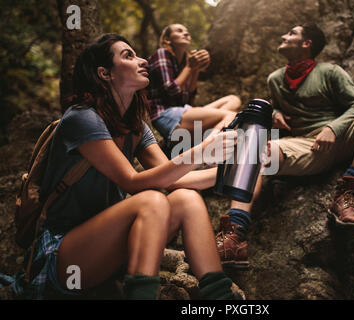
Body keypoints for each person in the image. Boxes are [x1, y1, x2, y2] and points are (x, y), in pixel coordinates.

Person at [10, 33, 241, 300]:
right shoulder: (82, 118)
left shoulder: (137, 126)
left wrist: (229, 173)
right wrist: (202, 150)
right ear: (104, 73)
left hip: (109, 249)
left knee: (187, 199)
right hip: (64, 255)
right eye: (128, 56)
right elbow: (130, 180)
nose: (142, 60)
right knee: (152, 201)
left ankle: (220, 296)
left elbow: (173, 178)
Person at [265, 22, 354, 235]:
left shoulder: (330, 72)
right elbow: (273, 107)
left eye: (291, 33)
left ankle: (348, 192)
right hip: (305, 145)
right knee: (262, 154)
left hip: (343, 137)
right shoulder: (274, 79)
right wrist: (274, 114)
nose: (283, 36)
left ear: (306, 43)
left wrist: (332, 128)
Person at [146, 23, 241, 151]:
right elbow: (170, 90)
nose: (186, 33)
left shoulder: (184, 62)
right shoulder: (162, 53)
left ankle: (208, 135)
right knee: (230, 115)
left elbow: (189, 101)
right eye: (179, 31)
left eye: (187, 32)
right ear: (167, 40)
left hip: (183, 114)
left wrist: (196, 69)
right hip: (167, 117)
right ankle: (211, 149)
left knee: (233, 100)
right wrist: (190, 67)